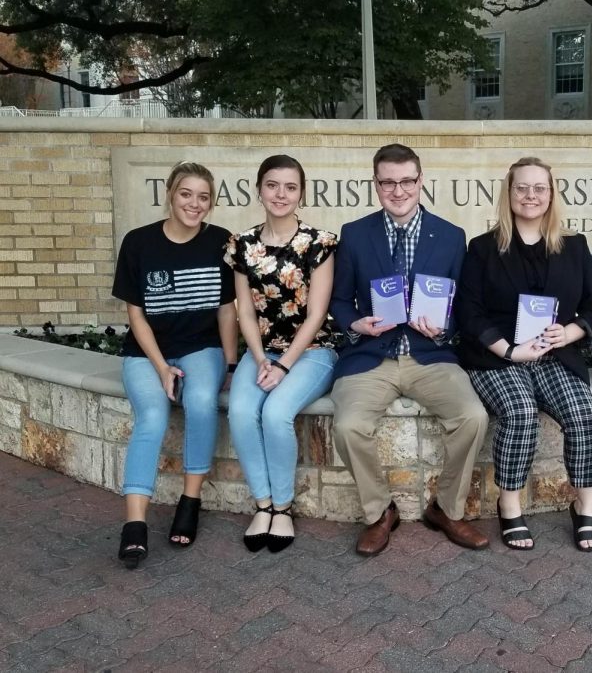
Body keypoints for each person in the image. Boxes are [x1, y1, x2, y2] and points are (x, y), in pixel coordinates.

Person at [329, 143, 489, 556]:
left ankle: (446, 510)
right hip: (372, 355)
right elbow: (340, 300)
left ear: (421, 181)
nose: (397, 191)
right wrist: (354, 323)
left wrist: (442, 328)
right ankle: (380, 511)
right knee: (347, 427)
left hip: (429, 356)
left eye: (406, 181)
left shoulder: (452, 237)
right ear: (376, 184)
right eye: (388, 182)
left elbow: (463, 305)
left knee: (472, 417)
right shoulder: (354, 234)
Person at [455, 156, 592, 552]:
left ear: (551, 195)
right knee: (521, 413)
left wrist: (569, 332)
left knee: (584, 413)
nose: (531, 195)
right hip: (498, 355)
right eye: (522, 187)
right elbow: (468, 311)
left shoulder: (574, 247)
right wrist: (509, 350)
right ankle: (510, 507)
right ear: (509, 193)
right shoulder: (484, 248)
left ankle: (586, 507)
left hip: (556, 352)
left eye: (540, 188)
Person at [112, 161, 238, 569]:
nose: (194, 204)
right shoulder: (138, 243)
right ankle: (134, 525)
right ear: (170, 193)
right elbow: (136, 315)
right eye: (187, 194)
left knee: (201, 400)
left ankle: (190, 499)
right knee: (151, 415)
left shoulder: (221, 243)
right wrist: (161, 367)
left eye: (204, 197)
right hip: (147, 350)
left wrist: (232, 365)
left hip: (202, 347)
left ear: (211, 202)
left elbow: (226, 312)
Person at [225, 155, 338, 553]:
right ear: (259, 189)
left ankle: (285, 507)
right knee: (240, 412)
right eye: (272, 185)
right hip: (263, 352)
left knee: (275, 413)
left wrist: (283, 366)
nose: (281, 194)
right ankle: (264, 504)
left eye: (290, 187)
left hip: (312, 351)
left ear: (301, 193)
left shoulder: (319, 243)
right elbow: (245, 311)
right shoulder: (242, 245)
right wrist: (259, 360)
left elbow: (317, 314)